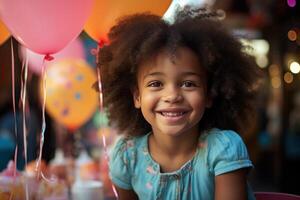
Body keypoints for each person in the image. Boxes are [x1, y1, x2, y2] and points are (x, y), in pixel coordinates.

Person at [96, 7, 262, 200]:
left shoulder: (223, 150)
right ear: (137, 97)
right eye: (156, 84)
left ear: (209, 95)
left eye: (188, 84)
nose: (173, 96)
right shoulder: (127, 156)